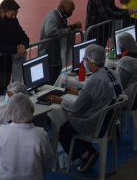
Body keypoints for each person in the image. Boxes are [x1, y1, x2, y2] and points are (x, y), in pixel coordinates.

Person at [45, 44, 124, 173]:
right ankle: (89, 151)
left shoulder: (94, 80)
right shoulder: (111, 73)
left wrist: (61, 101)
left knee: (62, 127)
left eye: (85, 59)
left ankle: (85, 154)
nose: (84, 62)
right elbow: (96, 96)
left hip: (95, 123)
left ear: (92, 62)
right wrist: (79, 93)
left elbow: (77, 108)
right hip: (109, 121)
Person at [0, 0, 30, 100]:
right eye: (12, 15)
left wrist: (23, 45)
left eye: (15, 15)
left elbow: (22, 36)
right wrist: (14, 49)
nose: (14, 17)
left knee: (4, 97)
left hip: (7, 68)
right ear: (2, 12)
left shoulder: (13, 21)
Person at [39, 0, 82, 82]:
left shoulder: (61, 16)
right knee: (52, 79)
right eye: (69, 11)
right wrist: (65, 31)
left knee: (57, 76)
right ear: (61, 7)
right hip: (50, 56)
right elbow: (49, 31)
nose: (71, 13)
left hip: (56, 54)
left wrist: (73, 27)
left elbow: (60, 28)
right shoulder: (53, 17)